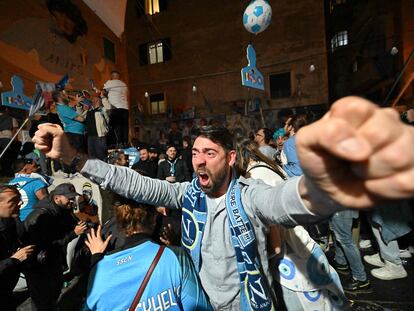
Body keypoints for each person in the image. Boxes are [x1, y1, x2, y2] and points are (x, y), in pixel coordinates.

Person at [32, 96, 414, 310]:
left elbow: (287, 200)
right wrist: (76, 158)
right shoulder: (187, 194)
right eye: (195, 152)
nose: (198, 160)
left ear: (231, 158)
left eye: (210, 153)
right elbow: (135, 183)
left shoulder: (249, 197)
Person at [84, 199, 211, 310]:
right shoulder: (176, 257)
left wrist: (96, 259)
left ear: (119, 223)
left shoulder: (99, 273)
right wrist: (176, 246)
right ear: (154, 219)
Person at [23, 183, 87, 311]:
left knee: (54, 295)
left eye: (72, 197)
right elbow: (44, 246)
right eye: (68, 197)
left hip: (53, 262)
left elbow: (70, 223)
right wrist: (73, 233)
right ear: (57, 198)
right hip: (39, 266)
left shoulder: (62, 209)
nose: (71, 200)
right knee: (42, 301)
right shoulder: (41, 217)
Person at [0, 185, 34, 311]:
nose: (20, 203)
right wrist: (13, 259)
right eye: (13, 200)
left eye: (19, 199)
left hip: (7, 290)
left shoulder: (13, 221)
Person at [103, 70, 129, 148]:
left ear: (112, 76)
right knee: (124, 126)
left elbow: (104, 92)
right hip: (125, 108)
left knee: (116, 126)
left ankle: (118, 144)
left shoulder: (109, 82)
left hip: (115, 107)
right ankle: (125, 143)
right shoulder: (124, 85)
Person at [85, 94, 110, 161]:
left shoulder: (103, 110)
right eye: (93, 99)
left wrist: (102, 97)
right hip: (90, 136)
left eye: (95, 99)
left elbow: (108, 108)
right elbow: (80, 115)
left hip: (100, 136)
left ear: (99, 100)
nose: (93, 100)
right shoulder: (89, 110)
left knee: (101, 155)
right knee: (91, 156)